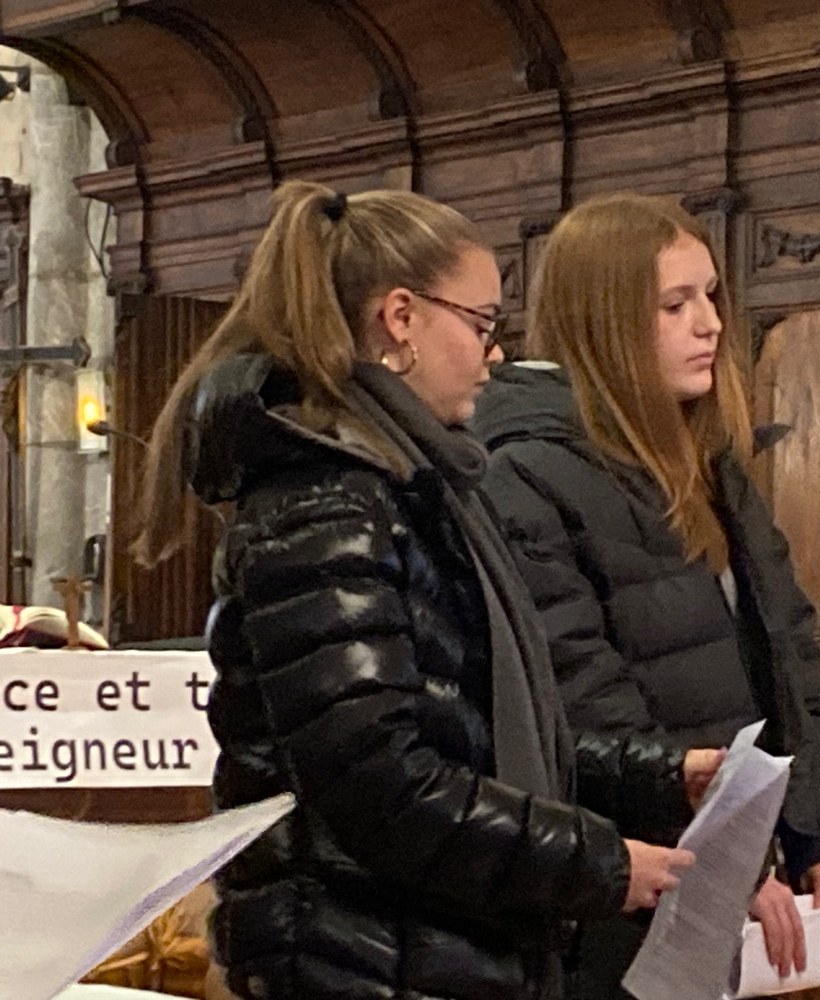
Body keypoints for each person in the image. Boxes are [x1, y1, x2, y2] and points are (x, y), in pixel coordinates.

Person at [132, 181, 712, 1000]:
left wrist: (659, 773)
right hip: (359, 962)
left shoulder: (407, 489)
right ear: (400, 318)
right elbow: (379, 784)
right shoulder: (327, 508)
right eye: (481, 324)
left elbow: (474, 729)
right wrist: (598, 862)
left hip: (432, 952)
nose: (494, 355)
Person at [471, 192, 820, 1000]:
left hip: (732, 872)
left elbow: (794, 673)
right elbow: (583, 706)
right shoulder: (526, 473)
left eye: (711, 297)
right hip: (622, 893)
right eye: (674, 304)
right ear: (604, 321)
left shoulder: (710, 463)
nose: (710, 324)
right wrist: (717, 865)